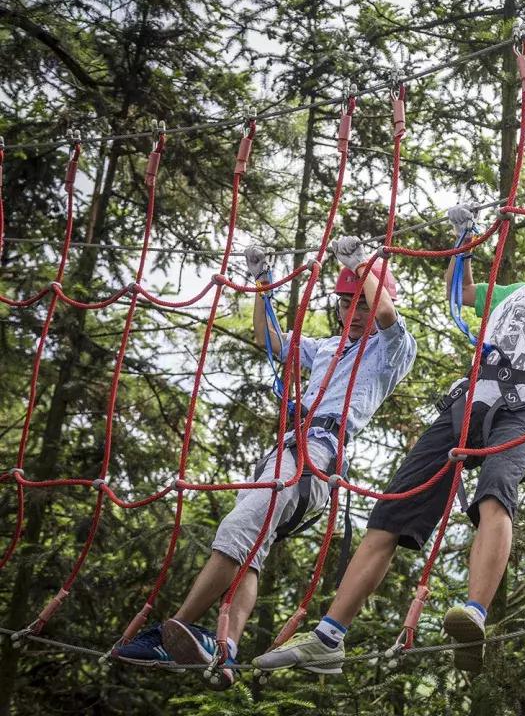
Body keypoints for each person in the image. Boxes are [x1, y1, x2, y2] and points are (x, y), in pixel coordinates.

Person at [254, 164, 525, 674]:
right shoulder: (510, 294)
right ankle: (330, 636)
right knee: (393, 510)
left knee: (495, 490)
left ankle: (475, 611)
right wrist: (463, 242)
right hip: (467, 404)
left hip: (524, 407)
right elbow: (458, 292)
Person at [112, 237, 417, 688]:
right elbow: (269, 338)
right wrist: (262, 283)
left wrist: (360, 266)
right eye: (345, 303)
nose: (353, 312)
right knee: (250, 551)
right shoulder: (327, 348)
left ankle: (174, 629)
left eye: (362, 303)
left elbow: (387, 315)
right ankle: (225, 648)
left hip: (316, 455)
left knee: (237, 529)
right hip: (286, 453)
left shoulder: (393, 349)